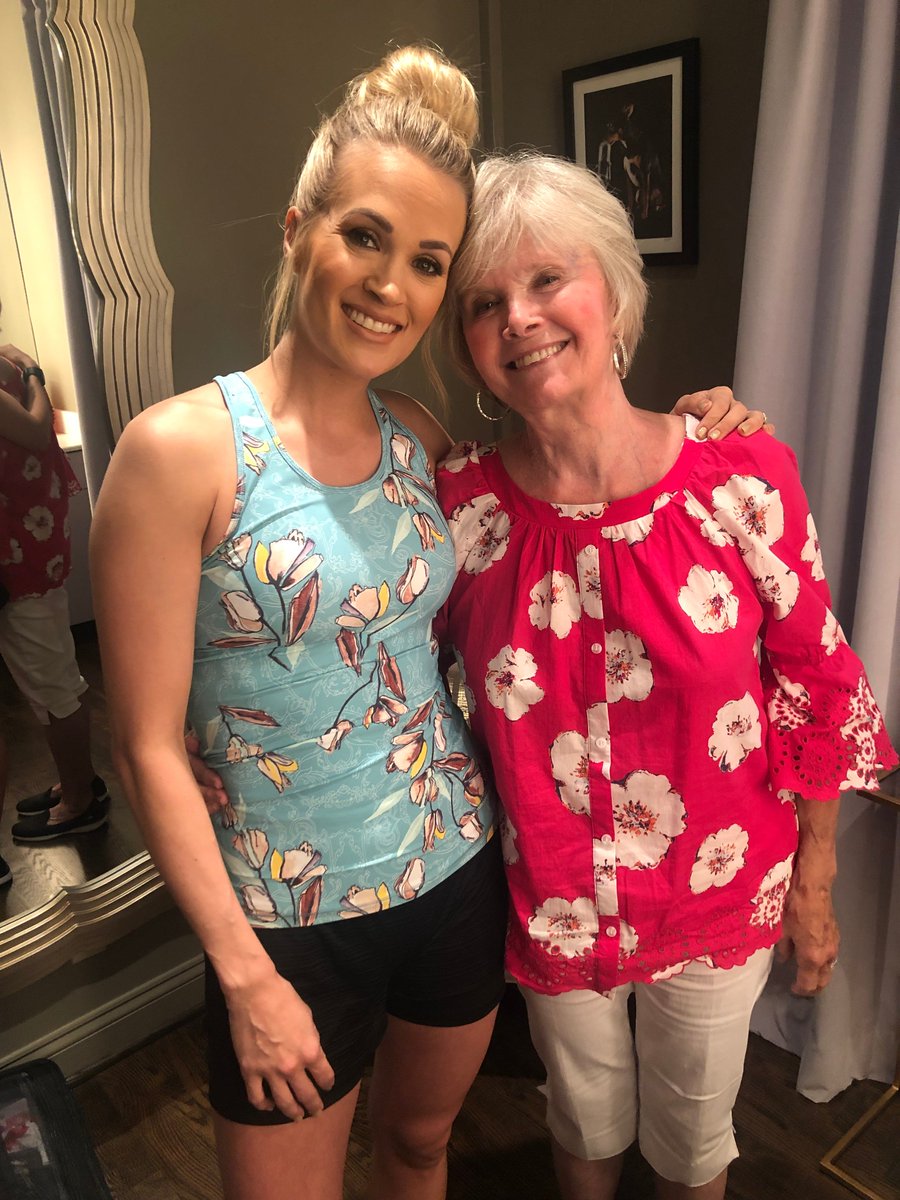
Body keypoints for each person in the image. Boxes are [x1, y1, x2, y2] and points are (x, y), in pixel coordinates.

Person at [93, 46, 764, 1200]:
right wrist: (244, 978)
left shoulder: (416, 434)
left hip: (456, 876)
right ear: (297, 229)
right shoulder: (178, 452)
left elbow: (556, 515)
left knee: (418, 1149)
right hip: (285, 920)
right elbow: (144, 743)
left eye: (428, 262)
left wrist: (703, 429)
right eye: (364, 236)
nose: (389, 285)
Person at [429, 151, 897, 1200]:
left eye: (547, 279)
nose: (519, 316)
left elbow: (817, 686)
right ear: (466, 344)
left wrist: (817, 884)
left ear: (613, 292)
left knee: (691, 1147)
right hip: (552, 893)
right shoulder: (457, 509)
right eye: (485, 302)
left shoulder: (741, 478)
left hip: (720, 891)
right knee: (582, 1126)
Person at [0, 343, 107, 888]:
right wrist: (27, 370)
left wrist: (34, 372)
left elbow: (35, 430)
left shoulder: (10, 366)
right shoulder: (7, 362)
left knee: (54, 687)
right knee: (52, 682)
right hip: (29, 548)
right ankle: (77, 780)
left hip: (18, 559)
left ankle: (81, 801)